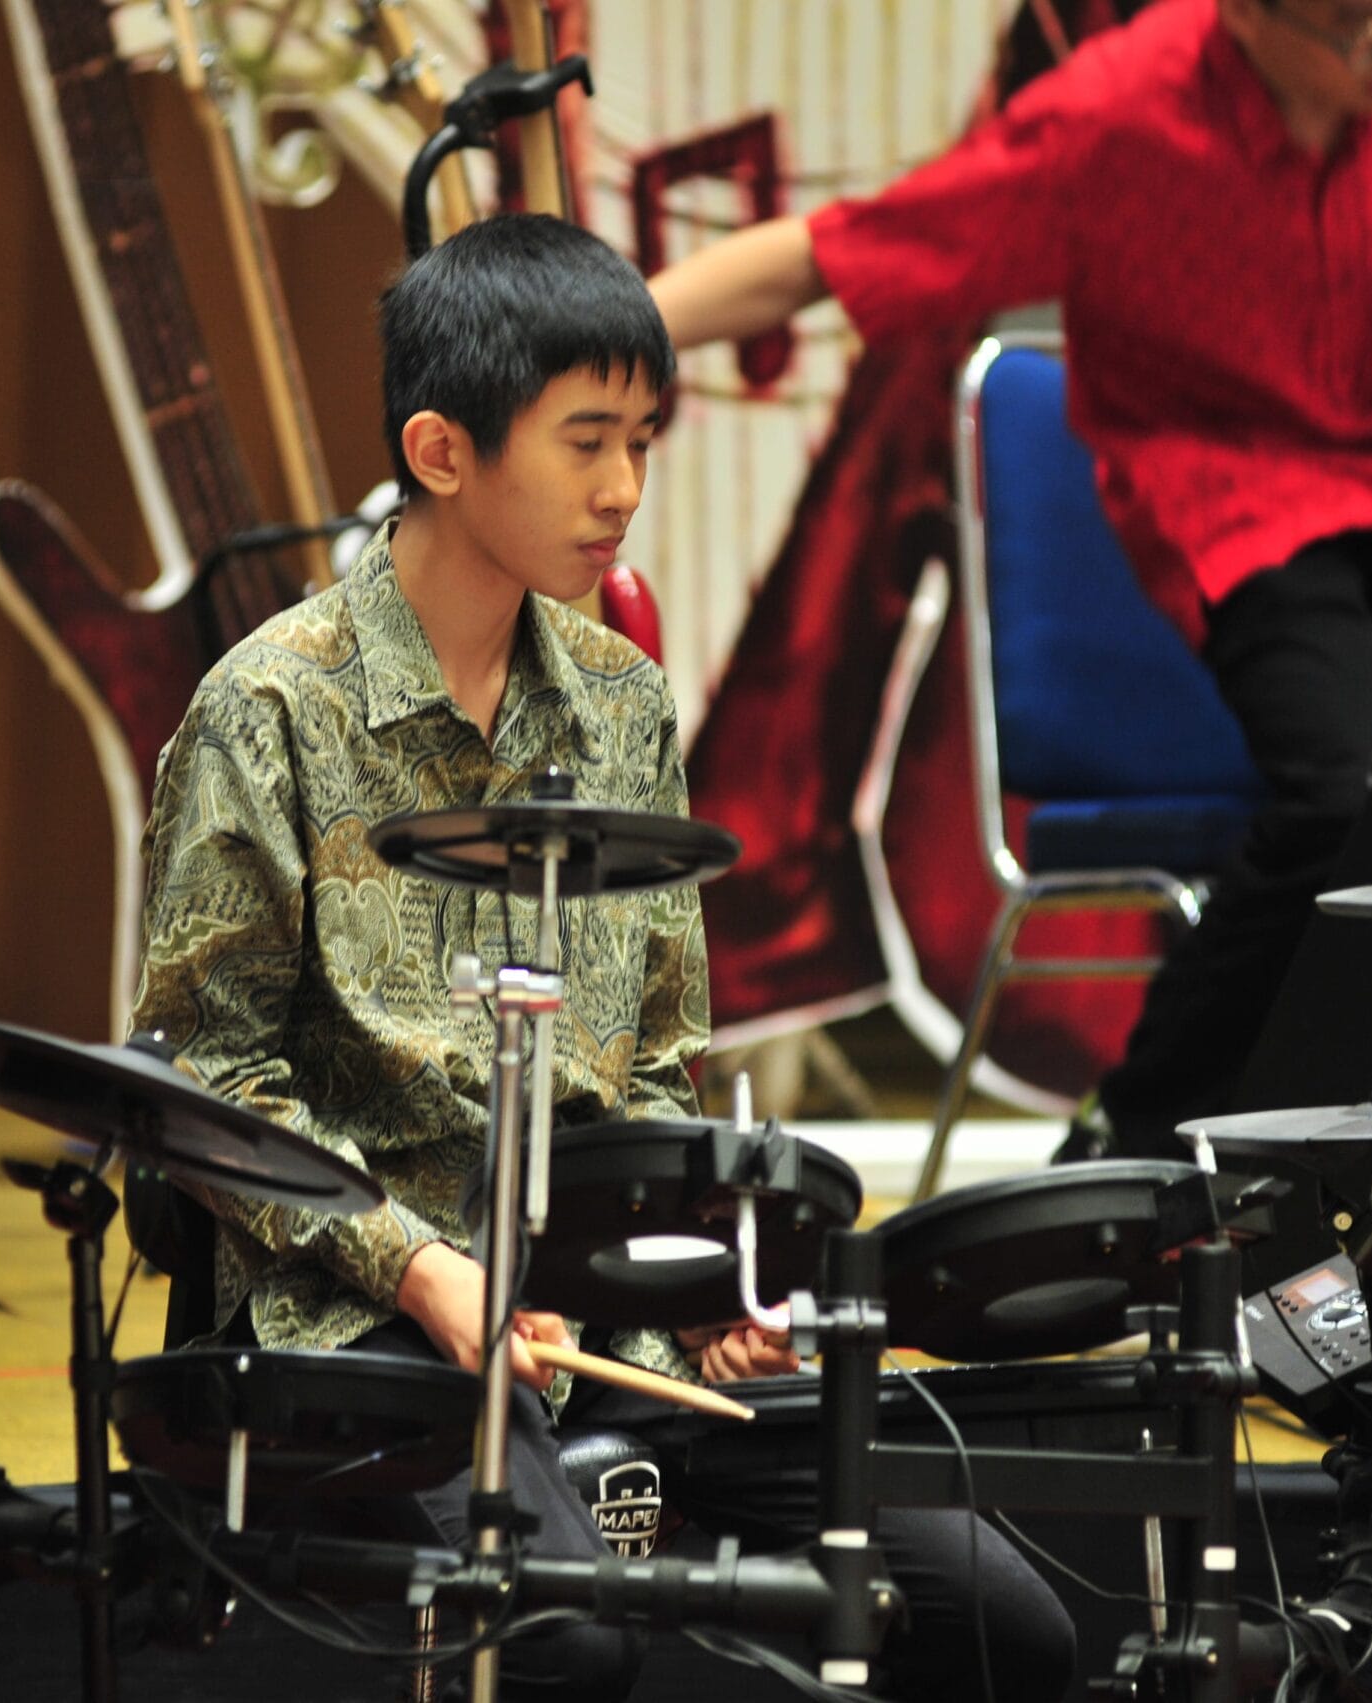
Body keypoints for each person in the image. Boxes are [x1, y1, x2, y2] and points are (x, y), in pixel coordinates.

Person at [129, 214, 1074, 1701]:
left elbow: (657, 1065)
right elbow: (203, 1075)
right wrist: (423, 1267)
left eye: (641, 439)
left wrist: (706, 1280)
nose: (625, 487)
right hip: (359, 1314)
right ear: (442, 451)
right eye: (586, 443)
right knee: (566, 1631)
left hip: (599, 1309)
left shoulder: (623, 701)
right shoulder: (271, 708)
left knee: (1001, 1626)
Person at [649, 0, 1372, 1158]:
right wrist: (607, 324)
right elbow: (833, 254)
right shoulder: (1114, 116)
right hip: (1253, 500)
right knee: (1358, 804)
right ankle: (1133, 1141)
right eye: (1357, 31)